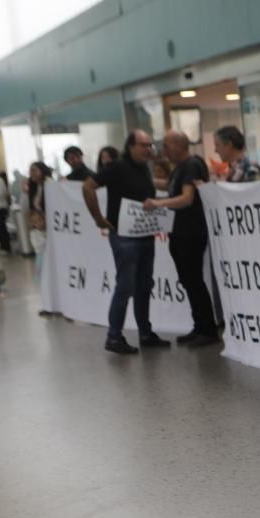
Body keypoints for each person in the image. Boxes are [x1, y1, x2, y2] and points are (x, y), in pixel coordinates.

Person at [82, 130, 170, 354]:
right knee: (126, 285)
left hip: (144, 234)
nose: (148, 149)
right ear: (130, 146)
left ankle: (145, 332)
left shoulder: (143, 167)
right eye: (143, 145)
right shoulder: (117, 167)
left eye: (150, 145)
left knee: (143, 285)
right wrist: (98, 218)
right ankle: (114, 336)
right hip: (124, 237)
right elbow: (88, 186)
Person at [144, 130, 219, 347]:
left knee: (194, 281)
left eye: (167, 146)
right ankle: (199, 326)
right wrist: (145, 181)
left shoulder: (192, 165)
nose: (164, 151)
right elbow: (170, 186)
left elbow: (187, 198)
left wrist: (157, 204)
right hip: (179, 233)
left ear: (179, 145)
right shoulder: (181, 169)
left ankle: (208, 329)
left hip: (191, 233)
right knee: (188, 280)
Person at [24, 162, 53, 296]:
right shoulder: (33, 187)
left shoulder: (50, 184)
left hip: (50, 227)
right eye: (31, 171)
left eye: (35, 170)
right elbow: (33, 207)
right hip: (39, 228)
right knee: (41, 258)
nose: (32, 173)